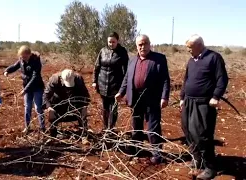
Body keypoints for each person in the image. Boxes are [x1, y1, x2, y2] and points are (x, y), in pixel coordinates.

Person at [115, 34, 170, 164]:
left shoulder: (159, 59)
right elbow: (127, 78)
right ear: (136, 46)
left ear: (149, 44)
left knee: (153, 128)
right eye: (140, 44)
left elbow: (165, 80)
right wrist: (121, 92)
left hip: (152, 98)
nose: (142, 46)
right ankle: (138, 149)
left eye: (145, 43)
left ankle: (157, 155)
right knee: (136, 126)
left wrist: (164, 96)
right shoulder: (132, 60)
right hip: (135, 98)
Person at [180, 34, 228, 179]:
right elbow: (186, 79)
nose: (188, 50)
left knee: (201, 135)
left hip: (204, 103)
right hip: (188, 101)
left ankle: (210, 167)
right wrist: (182, 97)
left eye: (190, 47)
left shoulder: (214, 58)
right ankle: (197, 159)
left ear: (199, 45)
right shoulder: (191, 60)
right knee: (187, 130)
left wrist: (216, 96)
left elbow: (222, 79)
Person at [92, 32, 129, 132]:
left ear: (117, 41)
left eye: (113, 42)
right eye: (109, 42)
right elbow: (96, 67)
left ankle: (111, 128)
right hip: (102, 84)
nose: (111, 44)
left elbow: (126, 71)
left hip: (116, 85)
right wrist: (94, 81)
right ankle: (105, 127)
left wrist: (124, 88)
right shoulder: (103, 51)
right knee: (105, 107)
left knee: (114, 108)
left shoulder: (122, 52)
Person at [4, 45, 45, 133]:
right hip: (27, 88)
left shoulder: (36, 62)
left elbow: (35, 77)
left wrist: (25, 90)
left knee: (38, 107)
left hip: (37, 87)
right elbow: (14, 66)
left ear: (29, 54)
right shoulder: (21, 60)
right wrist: (7, 71)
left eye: (25, 56)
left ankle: (42, 127)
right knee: (27, 107)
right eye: (22, 57)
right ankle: (27, 127)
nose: (23, 58)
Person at [43, 69, 90, 138]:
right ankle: (53, 135)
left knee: (82, 112)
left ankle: (84, 135)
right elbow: (46, 95)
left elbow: (85, 95)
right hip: (58, 103)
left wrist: (83, 106)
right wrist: (49, 107)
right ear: (62, 79)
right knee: (52, 113)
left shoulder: (78, 79)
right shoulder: (54, 79)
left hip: (74, 103)